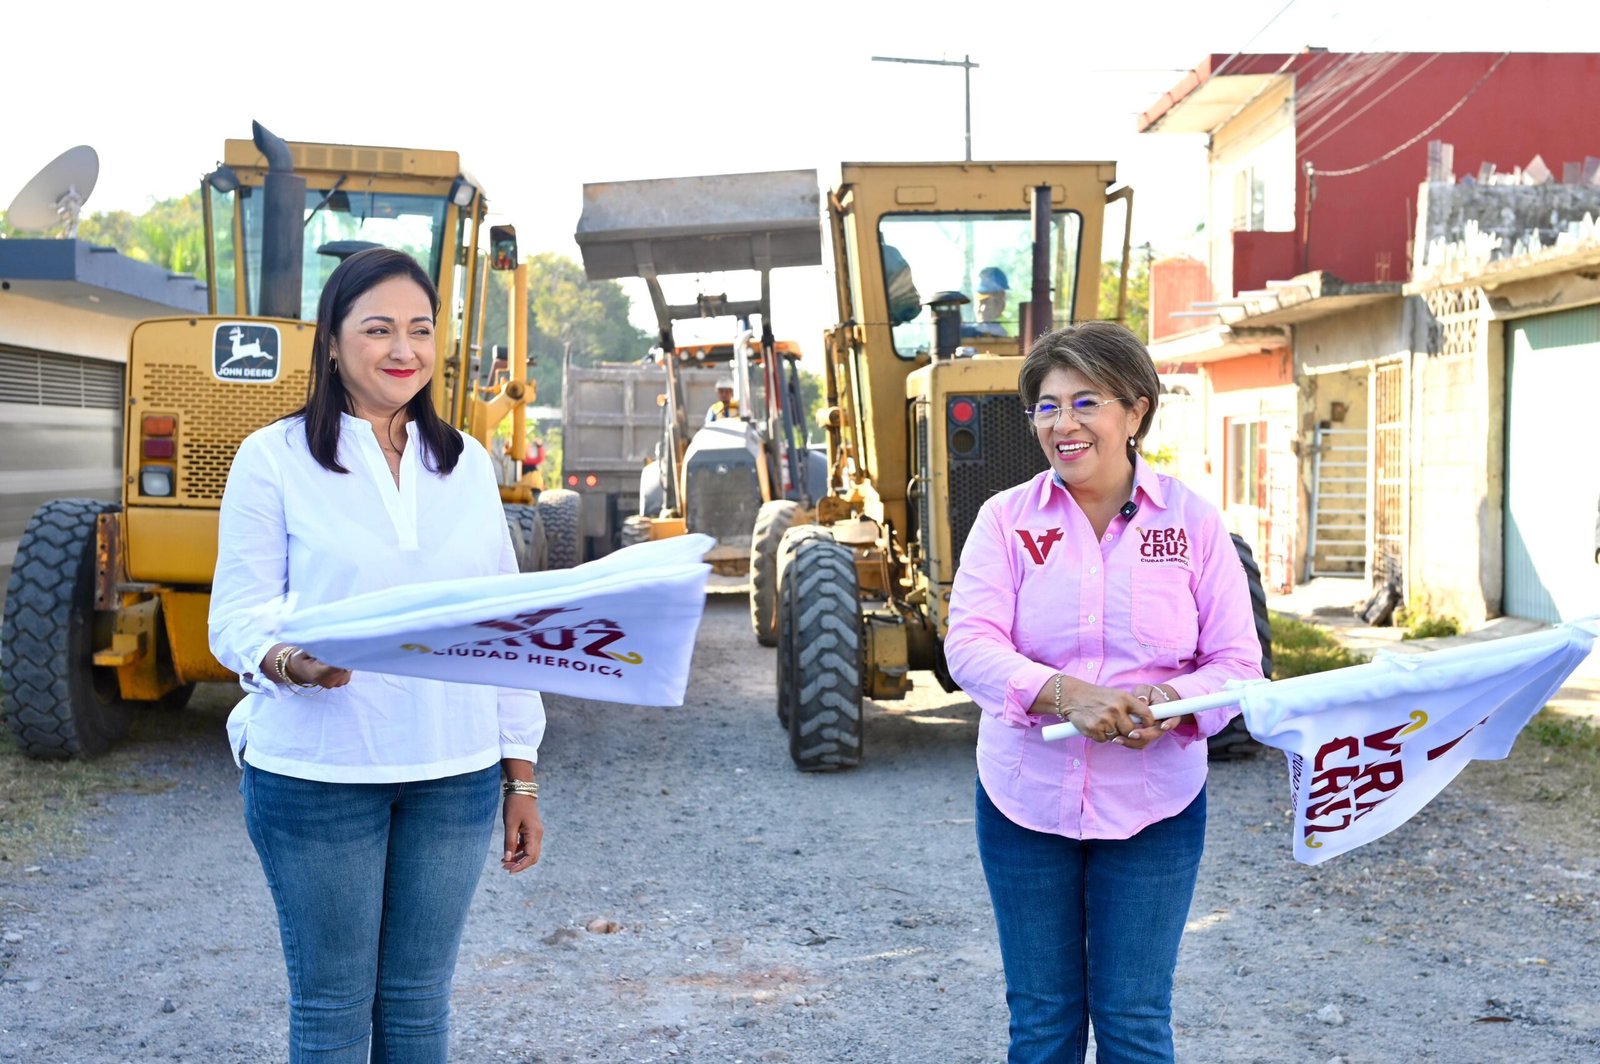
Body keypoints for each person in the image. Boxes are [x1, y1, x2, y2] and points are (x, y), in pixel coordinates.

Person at [209, 247, 546, 1062]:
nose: (405, 350)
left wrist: (521, 770)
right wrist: (293, 662)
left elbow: (501, 624)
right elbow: (238, 618)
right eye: (380, 329)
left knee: (419, 1005)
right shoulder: (274, 458)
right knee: (331, 1008)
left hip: (452, 776)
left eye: (422, 330)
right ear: (332, 343)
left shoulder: (465, 463)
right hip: (318, 776)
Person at [944, 321, 1263, 1064]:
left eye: (1086, 401)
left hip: (1155, 808)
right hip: (1026, 802)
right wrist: (1061, 693)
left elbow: (1236, 661)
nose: (1064, 423)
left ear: (1137, 411)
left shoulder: (1192, 524)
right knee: (1043, 1022)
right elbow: (970, 644)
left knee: (1135, 1021)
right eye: (1047, 406)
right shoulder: (1004, 521)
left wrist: (1173, 705)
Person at [963, 265, 1011, 339]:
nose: (984, 308)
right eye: (981, 302)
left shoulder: (1001, 334)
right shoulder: (964, 332)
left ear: (1002, 305)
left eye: (995, 302)